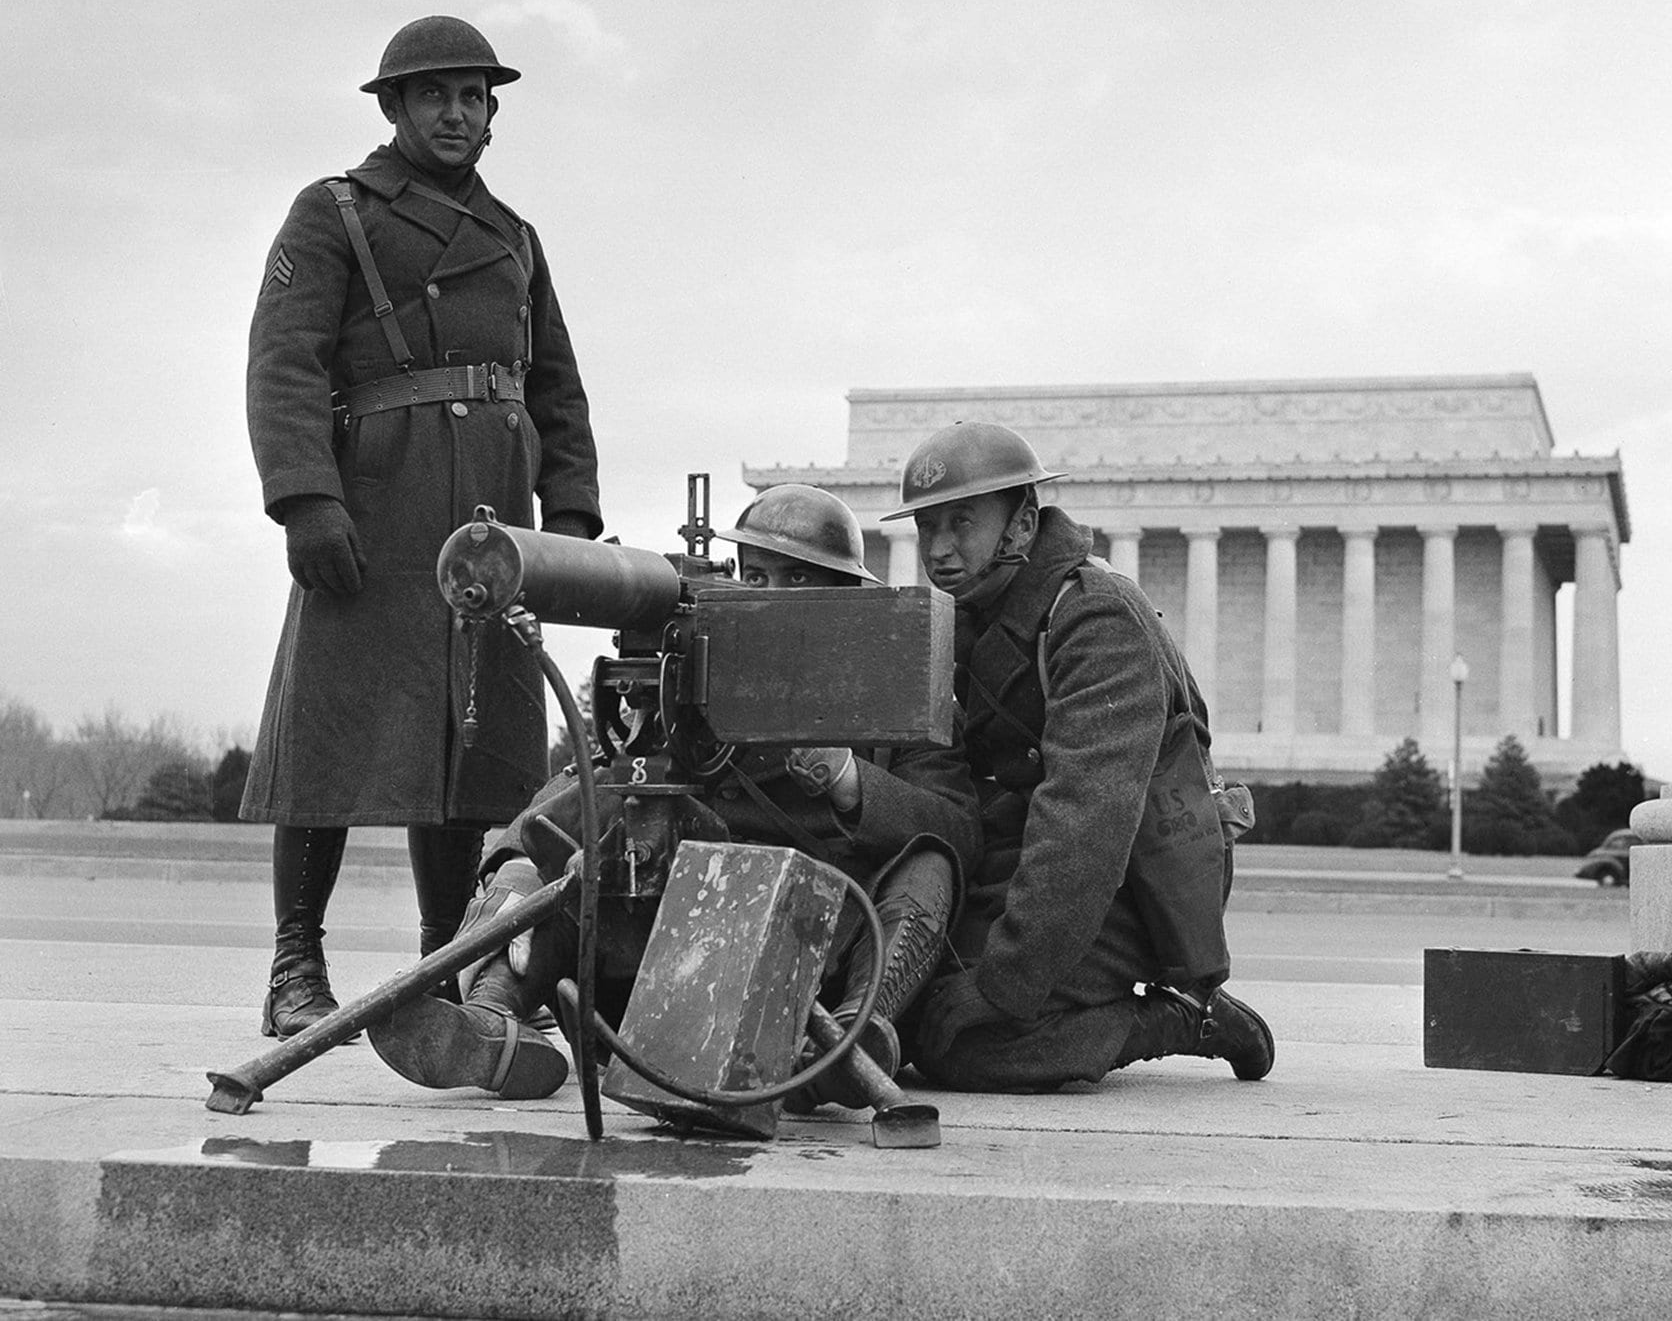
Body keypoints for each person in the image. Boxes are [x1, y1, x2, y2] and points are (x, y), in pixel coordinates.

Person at [366, 484, 980, 1106]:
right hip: (675, 947)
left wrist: (848, 780)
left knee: (931, 865)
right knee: (549, 851)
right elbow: (597, 780)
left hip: (818, 946)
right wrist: (512, 875)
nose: (770, 599)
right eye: (756, 577)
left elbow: (955, 827)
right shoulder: (694, 675)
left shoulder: (891, 683)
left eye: (798, 579)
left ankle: (851, 1038)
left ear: (847, 595)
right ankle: (490, 1021)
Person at [241, 16, 602, 1039]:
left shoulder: (517, 239)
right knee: (334, 737)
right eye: (436, 94)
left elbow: (557, 390)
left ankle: (444, 968)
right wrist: (305, 497)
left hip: (493, 520)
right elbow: (287, 361)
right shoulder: (334, 213)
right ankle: (293, 969)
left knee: (472, 754)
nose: (458, 112)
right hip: (374, 510)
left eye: (475, 97)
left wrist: (567, 524)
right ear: (392, 108)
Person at [889, 421, 1274, 1092]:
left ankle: (1182, 1016)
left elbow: (1085, 824)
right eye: (927, 527)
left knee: (970, 1046)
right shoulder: (972, 619)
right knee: (908, 1011)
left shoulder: (1097, 620)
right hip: (1033, 864)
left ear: (1023, 522)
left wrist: (1003, 985)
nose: (939, 549)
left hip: (1139, 877)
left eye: (961, 522)